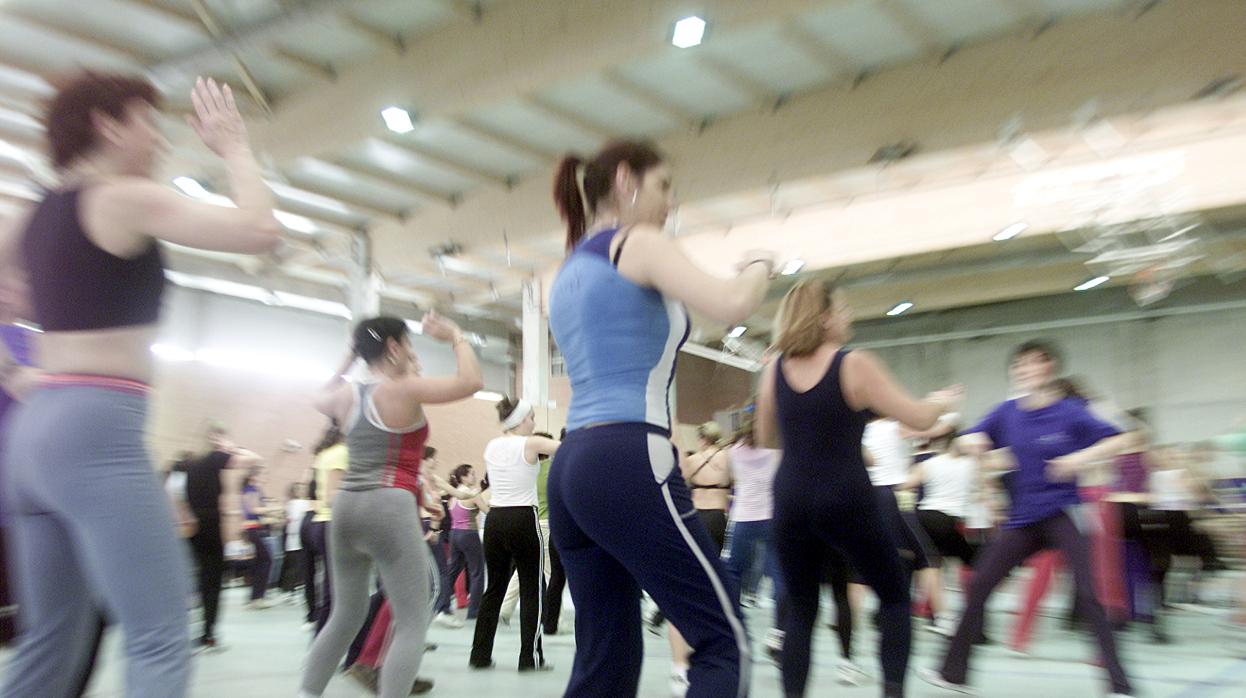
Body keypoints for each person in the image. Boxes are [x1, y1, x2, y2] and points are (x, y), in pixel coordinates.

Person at [0, 72, 281, 698]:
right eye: (147, 121)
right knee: (158, 634)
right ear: (108, 125)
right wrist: (234, 146)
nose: (159, 138)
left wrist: (16, 371)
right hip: (96, 429)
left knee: (49, 642)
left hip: (33, 434)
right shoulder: (121, 196)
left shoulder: (35, 212)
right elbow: (259, 231)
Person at [547, 140, 775, 698]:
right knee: (723, 639)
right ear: (626, 179)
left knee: (607, 655)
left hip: (573, 467)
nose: (671, 202)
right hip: (628, 457)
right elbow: (732, 304)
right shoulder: (639, 242)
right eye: (664, 186)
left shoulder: (568, 270)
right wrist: (759, 264)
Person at [755, 279, 961, 698]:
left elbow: (764, 438)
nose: (849, 317)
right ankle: (891, 691)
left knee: (800, 610)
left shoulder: (773, 369)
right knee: (893, 595)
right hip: (845, 494)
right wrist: (942, 401)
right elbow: (920, 419)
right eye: (844, 309)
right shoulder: (853, 364)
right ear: (825, 317)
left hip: (791, 495)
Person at [920, 340, 1136, 697]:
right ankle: (952, 672)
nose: (1023, 371)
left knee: (1088, 594)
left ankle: (1119, 684)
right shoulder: (1006, 412)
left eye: (1032, 364)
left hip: (1063, 513)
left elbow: (1120, 439)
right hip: (1023, 520)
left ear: (1049, 367)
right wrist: (973, 442)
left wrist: (1079, 460)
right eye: (1018, 366)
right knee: (979, 586)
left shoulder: (1070, 412)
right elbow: (974, 437)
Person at [300, 312, 482, 698]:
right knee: (412, 620)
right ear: (395, 347)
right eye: (409, 344)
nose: (412, 353)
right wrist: (457, 336)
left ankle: (306, 694)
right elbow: (471, 382)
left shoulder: (347, 394)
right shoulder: (402, 389)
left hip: (346, 508)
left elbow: (316, 396)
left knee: (344, 616)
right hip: (388, 506)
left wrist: (350, 356)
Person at [469, 397, 560, 671]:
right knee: (532, 589)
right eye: (531, 417)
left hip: (495, 520)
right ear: (520, 420)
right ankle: (530, 658)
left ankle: (480, 655)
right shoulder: (531, 443)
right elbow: (568, 449)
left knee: (494, 588)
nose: (534, 422)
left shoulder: (492, 445)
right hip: (522, 518)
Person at [184, 424, 261, 649]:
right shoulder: (215, 457)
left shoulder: (189, 463)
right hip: (209, 527)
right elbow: (254, 459)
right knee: (212, 582)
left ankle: (195, 630)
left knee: (196, 579)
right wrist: (232, 447)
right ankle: (209, 634)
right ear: (216, 440)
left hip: (192, 526)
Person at [898, 431, 979, 637]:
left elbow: (906, 484)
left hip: (924, 516)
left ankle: (941, 616)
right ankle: (967, 617)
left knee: (931, 565)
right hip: (950, 521)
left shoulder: (930, 463)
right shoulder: (971, 464)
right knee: (979, 564)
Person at [433, 464, 488, 627]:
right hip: (469, 534)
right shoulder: (472, 495)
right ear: (463, 477)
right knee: (477, 572)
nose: (474, 476)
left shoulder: (453, 497)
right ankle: (474, 610)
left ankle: (442, 605)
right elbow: (488, 511)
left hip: (454, 534)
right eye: (471, 474)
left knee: (453, 571)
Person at [303, 421, 345, 631]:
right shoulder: (341, 453)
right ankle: (322, 649)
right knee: (336, 593)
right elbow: (332, 497)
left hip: (320, 523)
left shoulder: (325, 454)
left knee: (333, 590)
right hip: (331, 523)